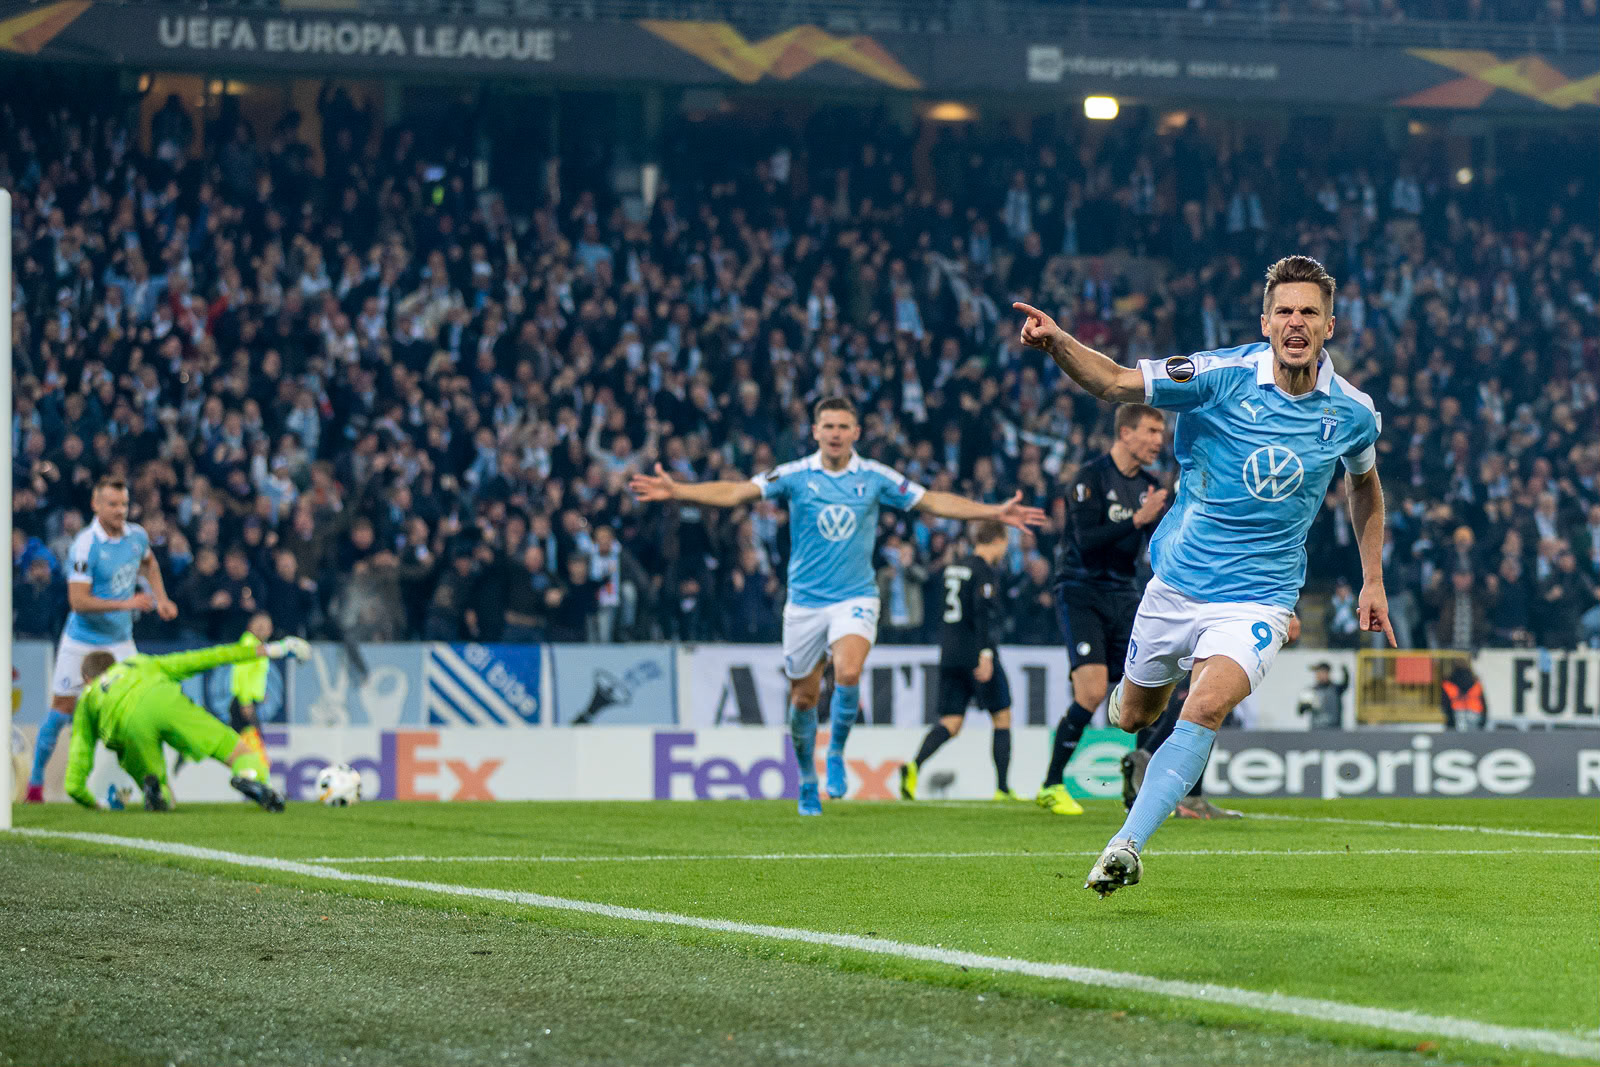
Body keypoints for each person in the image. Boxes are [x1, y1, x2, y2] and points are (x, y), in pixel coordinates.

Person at [1015, 254, 1393, 897]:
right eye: (1284, 311)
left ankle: (1125, 844)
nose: (1295, 322)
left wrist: (1373, 578)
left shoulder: (1352, 412)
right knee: (1133, 713)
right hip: (1179, 583)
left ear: (1331, 325)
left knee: (1208, 704)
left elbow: (1365, 487)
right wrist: (1056, 343)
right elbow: (1111, 383)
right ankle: (1132, 711)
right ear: (1266, 320)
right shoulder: (1219, 375)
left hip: (1261, 597)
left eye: (1309, 312)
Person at [632, 395, 1045, 816]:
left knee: (847, 671)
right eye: (827, 426)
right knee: (804, 701)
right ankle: (807, 780)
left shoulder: (875, 477)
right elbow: (738, 491)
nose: (835, 433)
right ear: (814, 431)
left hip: (856, 598)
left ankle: (836, 754)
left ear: (856, 433)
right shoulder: (794, 475)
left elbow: (933, 501)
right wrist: (679, 491)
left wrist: (993, 510)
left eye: (843, 426)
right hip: (805, 606)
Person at [1035, 403, 1168, 818]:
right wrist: (1137, 519)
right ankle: (1051, 784)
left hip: (1126, 594)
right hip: (1081, 590)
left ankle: (1139, 785)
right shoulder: (1088, 478)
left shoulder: (1150, 485)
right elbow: (1086, 540)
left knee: (1146, 692)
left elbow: (1157, 545)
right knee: (1091, 693)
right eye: (1150, 432)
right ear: (1125, 433)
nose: (1157, 442)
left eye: (1160, 434)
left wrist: (1155, 521)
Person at [27, 477, 178, 803]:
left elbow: (149, 565)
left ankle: (153, 786)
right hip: (82, 639)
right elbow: (78, 601)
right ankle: (35, 785)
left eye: (123, 504)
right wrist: (129, 603)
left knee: (137, 711)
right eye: (112, 504)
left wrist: (160, 598)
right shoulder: (85, 545)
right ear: (96, 505)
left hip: (121, 641)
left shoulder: (137, 536)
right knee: (62, 709)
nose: (120, 510)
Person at [64, 636, 310, 812]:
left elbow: (78, 761)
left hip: (126, 728)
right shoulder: (138, 663)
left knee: (161, 792)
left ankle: (157, 790)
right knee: (241, 753)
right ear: (115, 665)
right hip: (164, 701)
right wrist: (274, 649)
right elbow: (204, 658)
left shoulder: (87, 698)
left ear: (87, 679)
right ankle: (247, 775)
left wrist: (92, 802)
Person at [900, 520, 1018, 801]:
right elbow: (983, 614)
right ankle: (1002, 789)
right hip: (976, 652)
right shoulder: (983, 571)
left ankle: (914, 766)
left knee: (951, 722)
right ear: (998, 539)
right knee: (1002, 716)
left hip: (950, 652)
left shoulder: (953, 568)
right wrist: (986, 654)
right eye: (1006, 542)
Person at [1297, 659, 1350, 730]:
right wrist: (1304, 706)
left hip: (1334, 730)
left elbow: (1345, 684)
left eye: (1321, 672)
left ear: (1327, 673)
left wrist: (1345, 672)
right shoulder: (1311, 690)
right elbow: (1300, 711)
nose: (1318, 675)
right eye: (1317, 672)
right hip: (1316, 731)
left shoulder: (1336, 689)